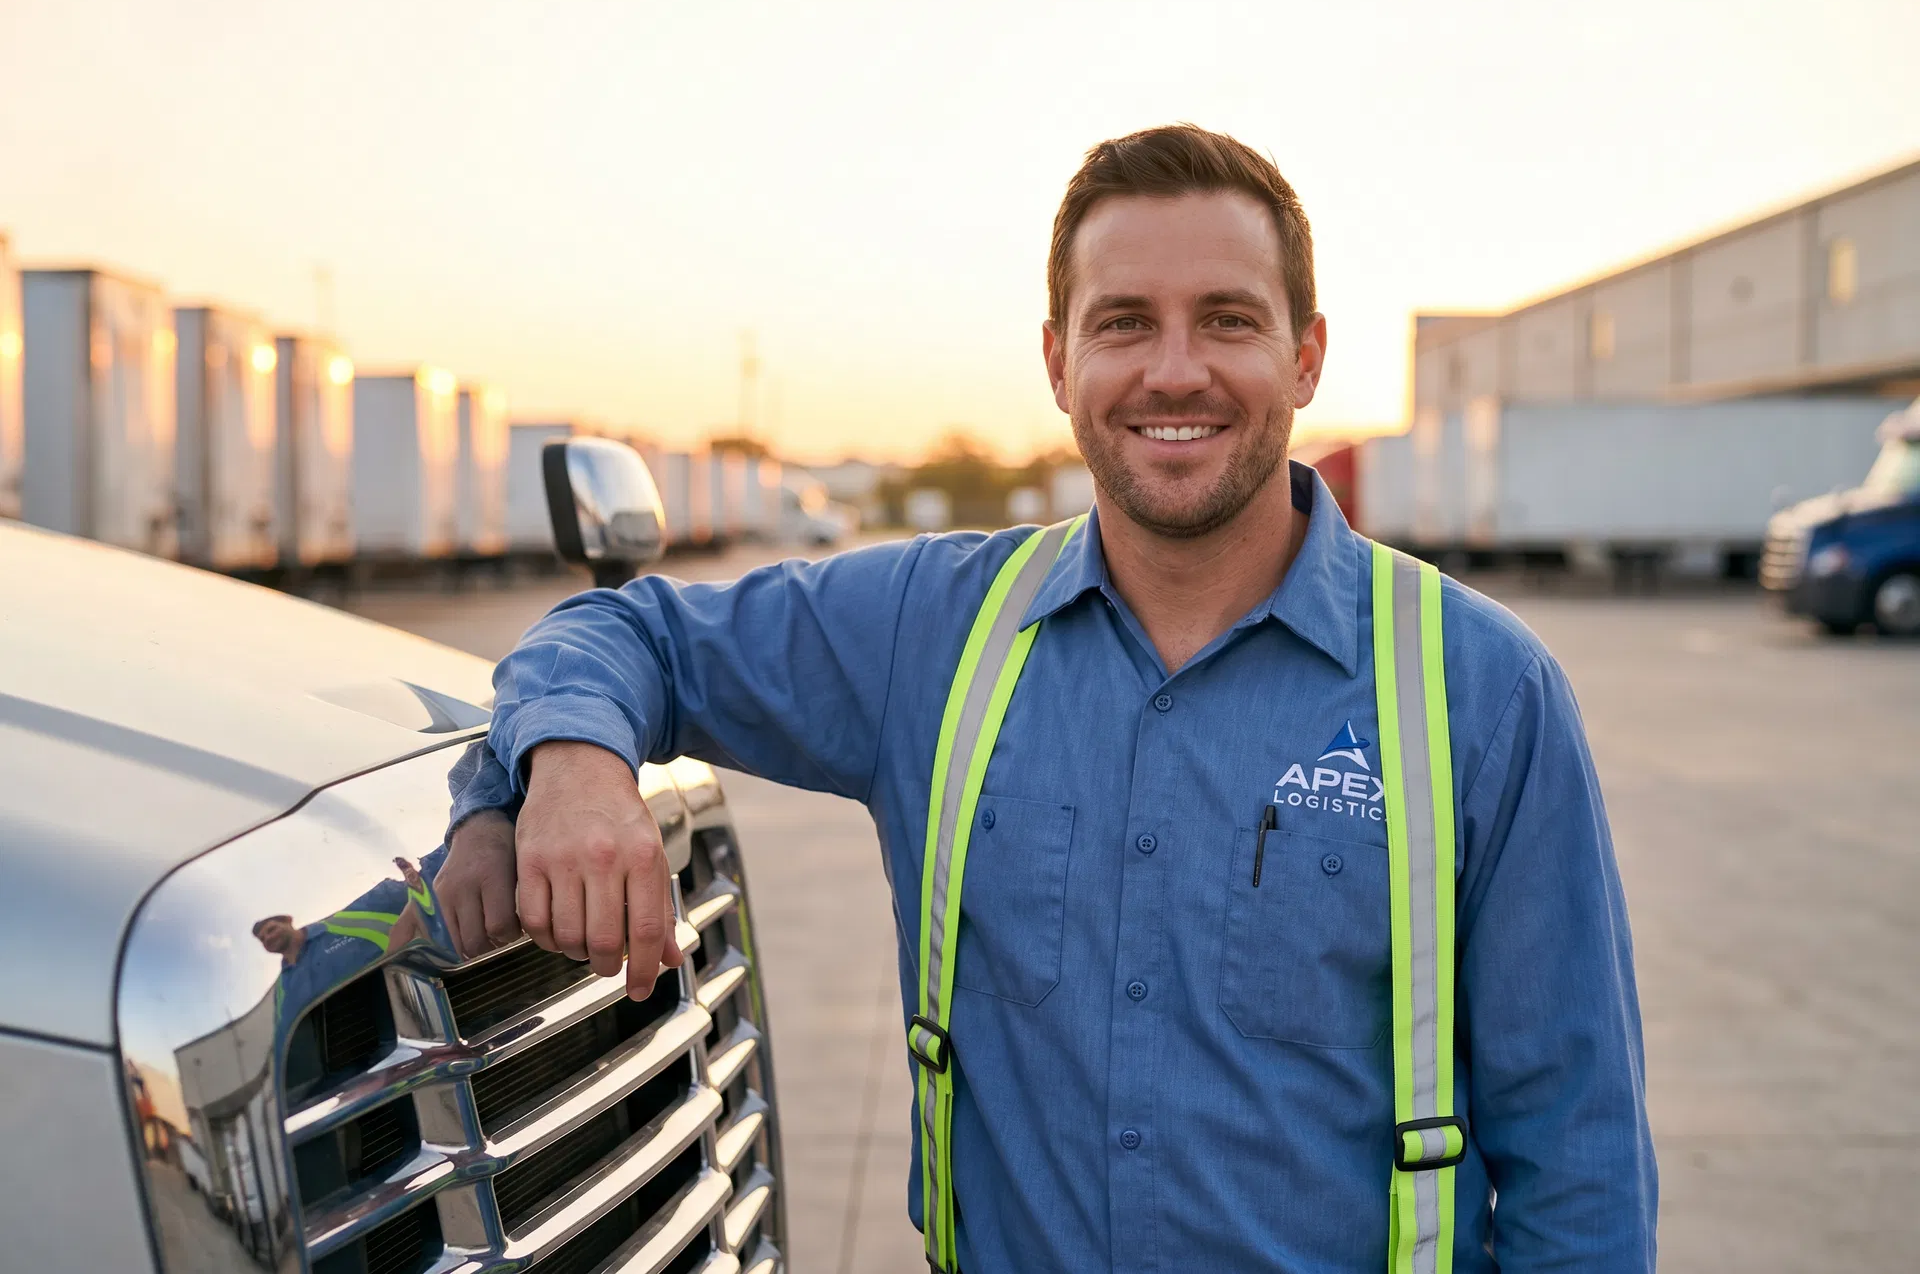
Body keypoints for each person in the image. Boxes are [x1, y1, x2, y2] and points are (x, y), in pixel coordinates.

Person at [443, 124, 1656, 1272]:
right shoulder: (932, 629)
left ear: (1306, 355)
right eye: (1124, 322)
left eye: (1226, 320)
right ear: (1057, 359)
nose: (1173, 370)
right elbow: (621, 631)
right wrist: (570, 768)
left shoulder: (1483, 693)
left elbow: (1579, 1162)